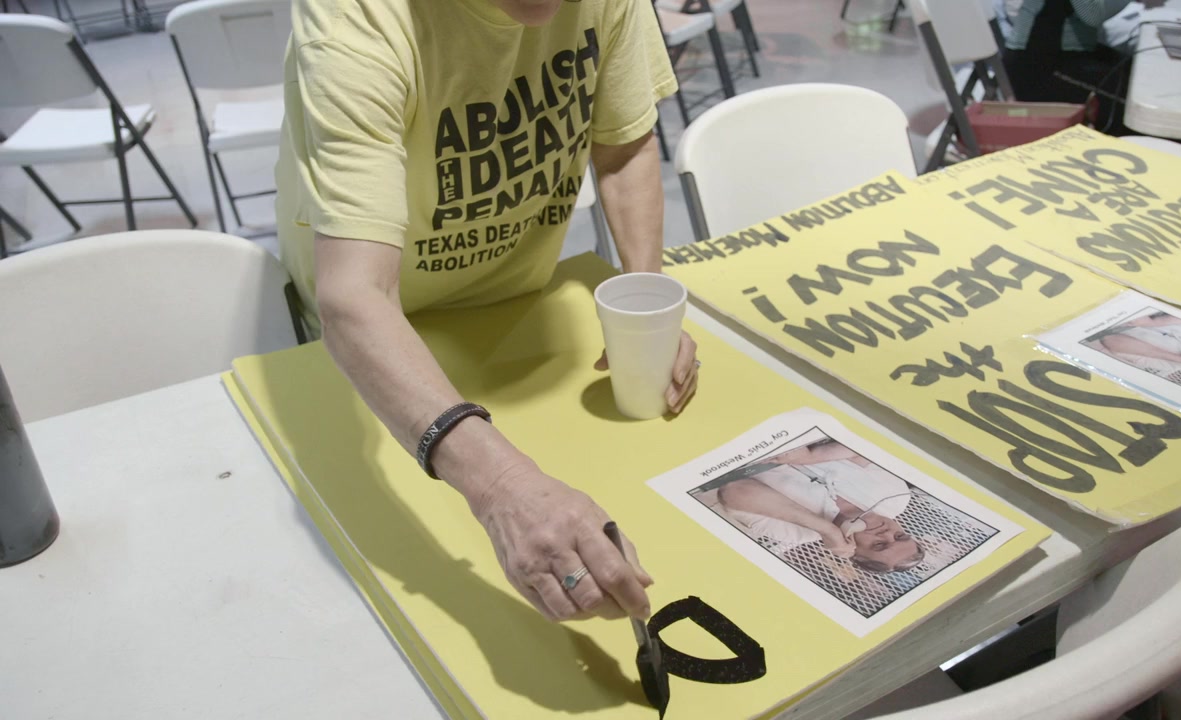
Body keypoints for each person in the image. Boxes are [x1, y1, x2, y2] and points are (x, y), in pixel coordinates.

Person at [274, 0, 696, 625]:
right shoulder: (355, 18)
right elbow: (356, 298)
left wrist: (645, 304)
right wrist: (502, 490)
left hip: (520, 311)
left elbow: (623, 148)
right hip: (382, 344)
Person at [717, 440, 926, 574]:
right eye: (900, 535)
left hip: (733, 449)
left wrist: (825, 528)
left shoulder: (794, 533)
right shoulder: (897, 497)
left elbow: (733, 489)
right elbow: (860, 447)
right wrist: (810, 457)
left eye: (879, 545)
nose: (887, 533)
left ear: (851, 550)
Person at [1001, 0, 1132, 133]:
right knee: (1130, 107)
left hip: (1069, 54)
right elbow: (1093, 13)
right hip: (1037, 67)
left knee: (1135, 74)